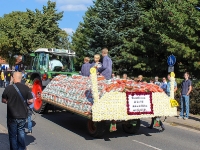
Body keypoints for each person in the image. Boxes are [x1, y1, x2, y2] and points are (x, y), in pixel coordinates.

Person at [2, 72, 34, 150]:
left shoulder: (8, 88)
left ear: (14, 78)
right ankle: (21, 148)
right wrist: (25, 102)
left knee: (12, 135)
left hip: (12, 116)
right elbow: (31, 101)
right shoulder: (26, 88)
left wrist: (8, 101)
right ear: (20, 78)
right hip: (22, 115)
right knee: (21, 133)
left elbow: (3, 100)